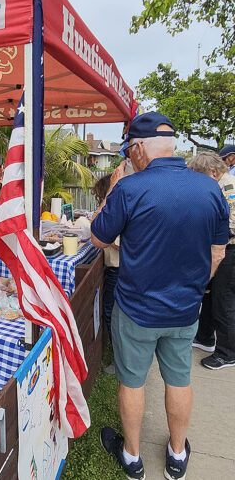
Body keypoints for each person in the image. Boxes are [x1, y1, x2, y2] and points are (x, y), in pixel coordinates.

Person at [91, 112, 229, 480]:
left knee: (132, 382)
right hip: (185, 309)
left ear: (138, 149)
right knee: (179, 379)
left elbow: (98, 237)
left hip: (137, 308)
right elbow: (218, 252)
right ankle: (177, 454)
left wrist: (116, 185)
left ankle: (133, 458)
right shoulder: (210, 188)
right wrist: (197, 288)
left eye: (129, 150)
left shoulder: (129, 188)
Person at [187, 152, 235, 369]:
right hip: (215, 249)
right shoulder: (214, 186)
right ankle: (205, 337)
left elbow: (231, 224)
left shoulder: (228, 187)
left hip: (229, 251)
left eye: (199, 176)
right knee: (209, 295)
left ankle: (228, 353)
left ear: (213, 172)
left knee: (224, 302)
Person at [92, 174, 119, 374]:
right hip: (118, 269)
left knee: (112, 313)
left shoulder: (115, 208)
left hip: (119, 270)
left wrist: (104, 237)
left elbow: (118, 243)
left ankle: (120, 360)